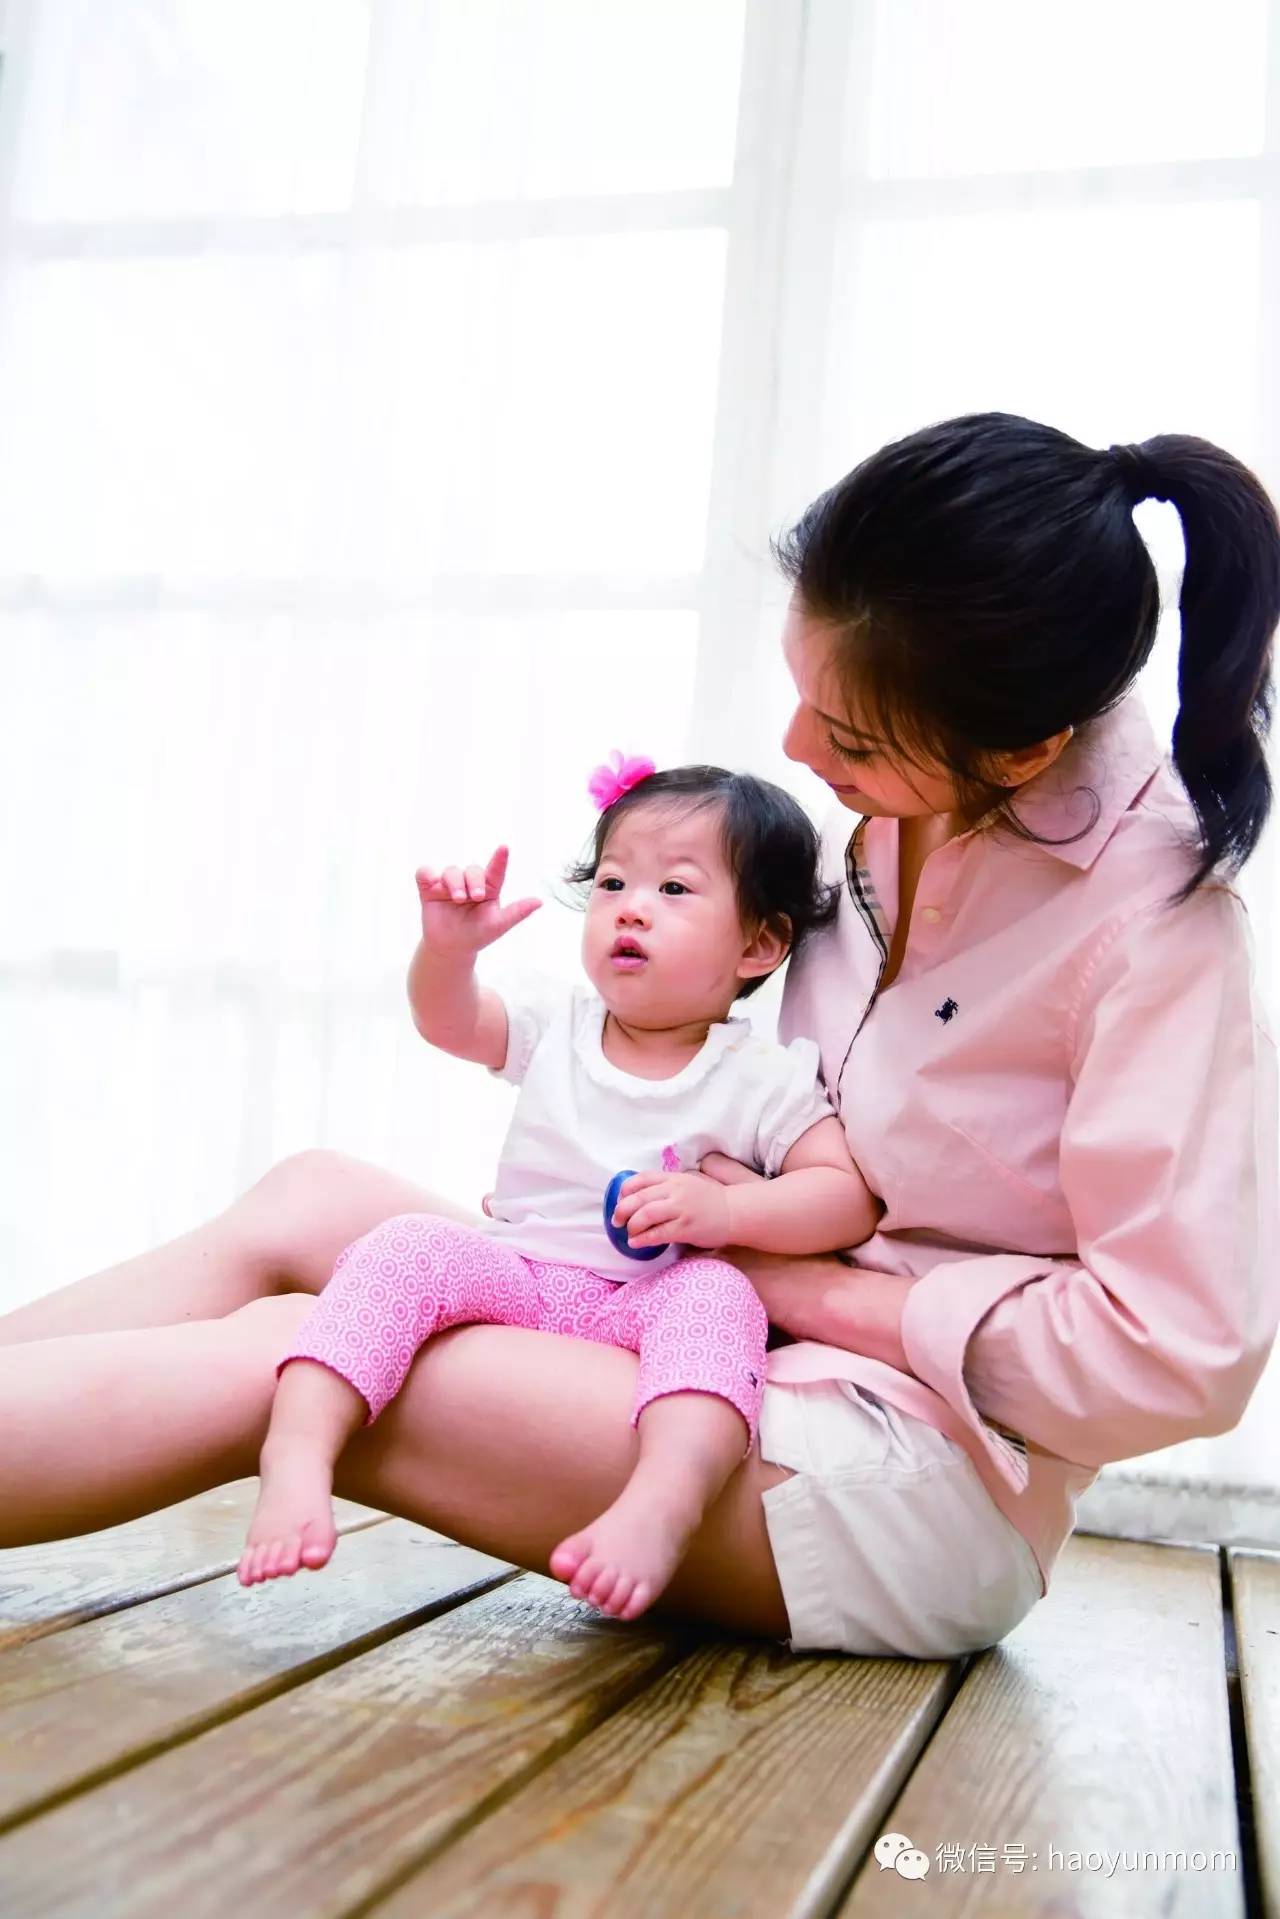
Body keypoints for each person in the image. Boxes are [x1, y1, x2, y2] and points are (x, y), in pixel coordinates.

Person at [2, 412, 1277, 1662]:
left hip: (900, 1473)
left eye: (845, 738)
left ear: (1022, 746)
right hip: (702, 1312)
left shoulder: (1152, 931)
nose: (794, 749)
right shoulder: (902, 814)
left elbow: (1176, 1357)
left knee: (311, 1356)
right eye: (802, 697)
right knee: (309, 1198)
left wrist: (808, 1288)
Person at [238, 757, 880, 1621]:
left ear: (759, 944)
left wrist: (731, 1211)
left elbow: (843, 1194)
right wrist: (448, 951)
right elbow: (450, 1022)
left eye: (674, 888)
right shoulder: (558, 1024)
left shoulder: (757, 1076)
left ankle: (663, 1503)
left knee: (721, 1298)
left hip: (643, 1303)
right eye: (613, 882)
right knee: (404, 1245)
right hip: (520, 1275)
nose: (631, 907)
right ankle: (297, 1452)